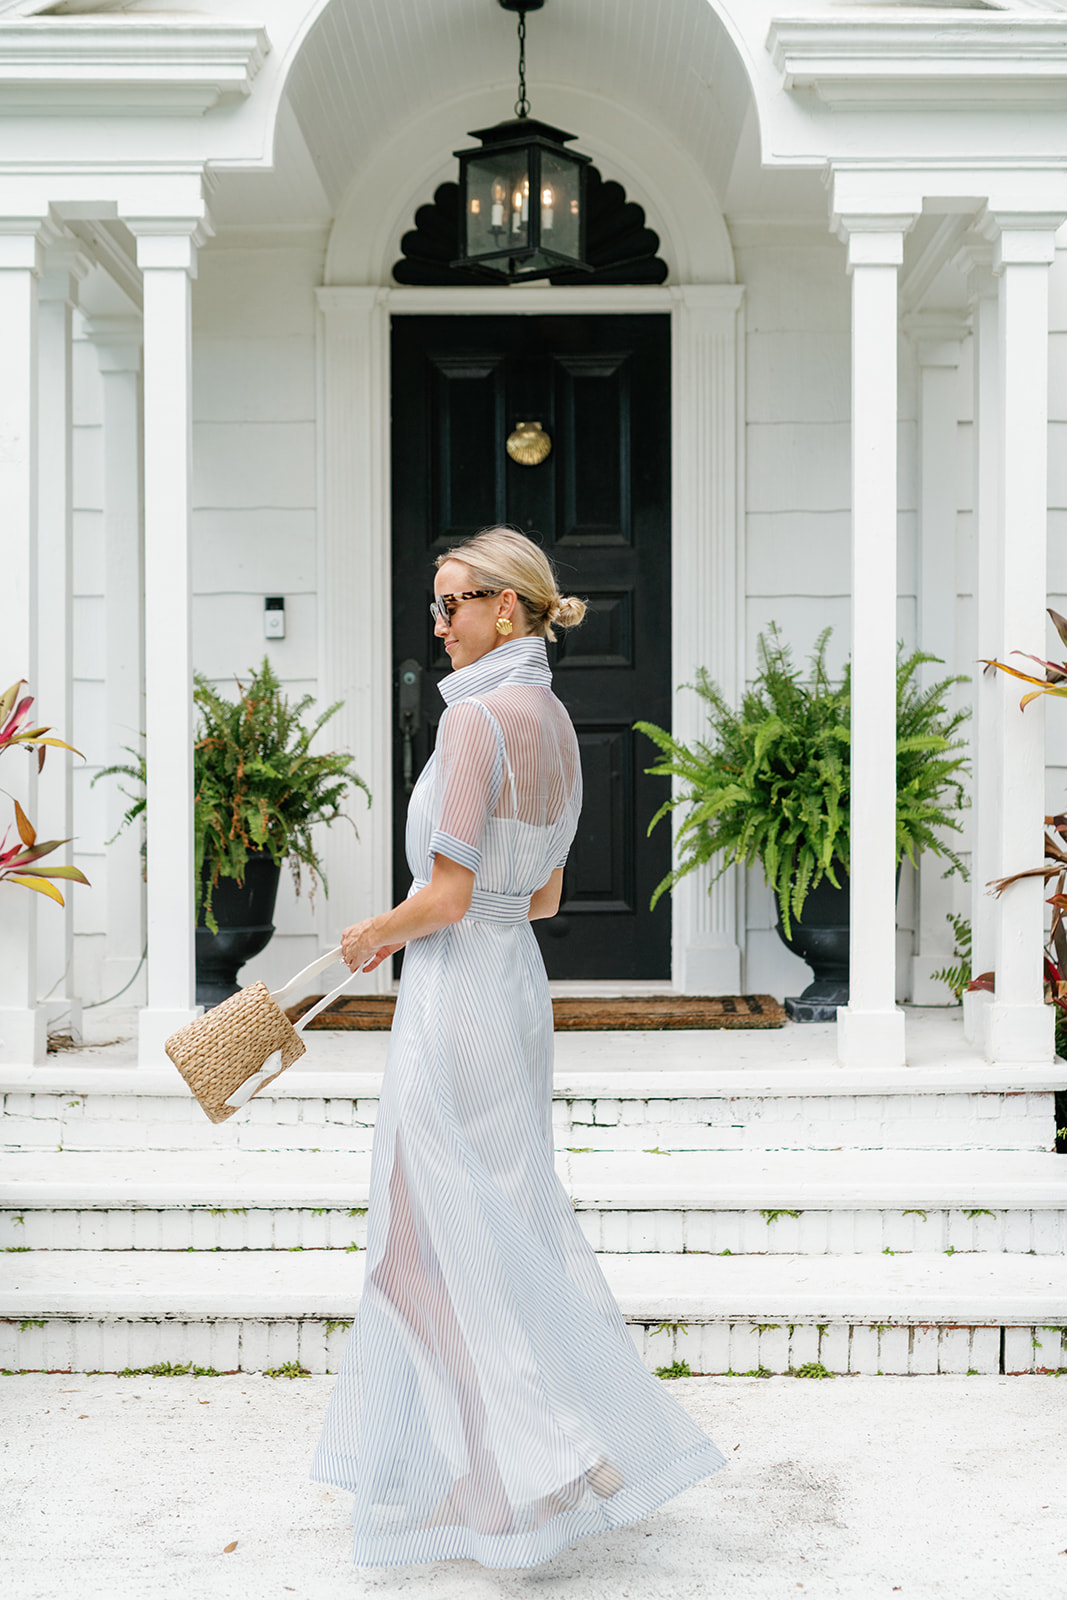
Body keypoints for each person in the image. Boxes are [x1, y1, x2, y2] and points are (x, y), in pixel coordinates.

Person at [311, 527, 726, 1568]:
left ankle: (531, 1454)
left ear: (509, 608)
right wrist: (451, 913)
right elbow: (537, 893)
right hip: (510, 988)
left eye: (453, 603)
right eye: (434, 605)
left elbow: (446, 895)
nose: (438, 624)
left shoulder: (473, 726)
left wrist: (371, 933)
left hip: (453, 993)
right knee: (490, 1224)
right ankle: (533, 1449)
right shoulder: (553, 719)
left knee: (418, 1244)